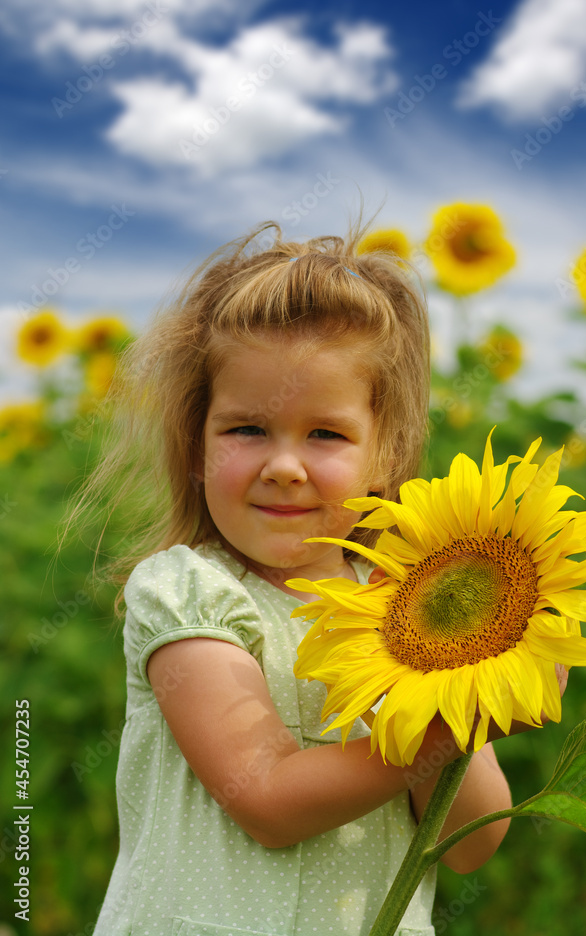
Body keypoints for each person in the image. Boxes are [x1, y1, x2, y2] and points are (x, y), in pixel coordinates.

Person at [76, 220, 557, 936]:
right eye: (246, 429)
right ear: (197, 448)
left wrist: (487, 684)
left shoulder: (416, 611)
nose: (284, 465)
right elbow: (267, 800)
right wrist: (449, 730)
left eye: (325, 434)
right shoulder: (186, 593)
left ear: (383, 457)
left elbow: (474, 841)